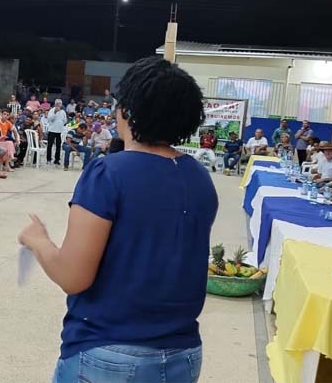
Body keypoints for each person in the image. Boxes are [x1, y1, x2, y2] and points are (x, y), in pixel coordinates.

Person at [18, 56, 215, 383]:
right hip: (183, 355)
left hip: (110, 353)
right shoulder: (199, 177)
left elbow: (73, 277)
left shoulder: (108, 173)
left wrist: (38, 240)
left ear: (129, 111)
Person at [45, 99, 67, 166]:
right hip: (52, 130)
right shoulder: (51, 110)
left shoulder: (63, 112)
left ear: (61, 104)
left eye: (59, 103)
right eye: (57, 103)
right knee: (50, 145)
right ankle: (48, 159)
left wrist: (61, 123)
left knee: (58, 146)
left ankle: (57, 160)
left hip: (59, 131)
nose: (58, 104)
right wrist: (55, 112)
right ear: (55, 104)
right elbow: (49, 119)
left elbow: (65, 121)